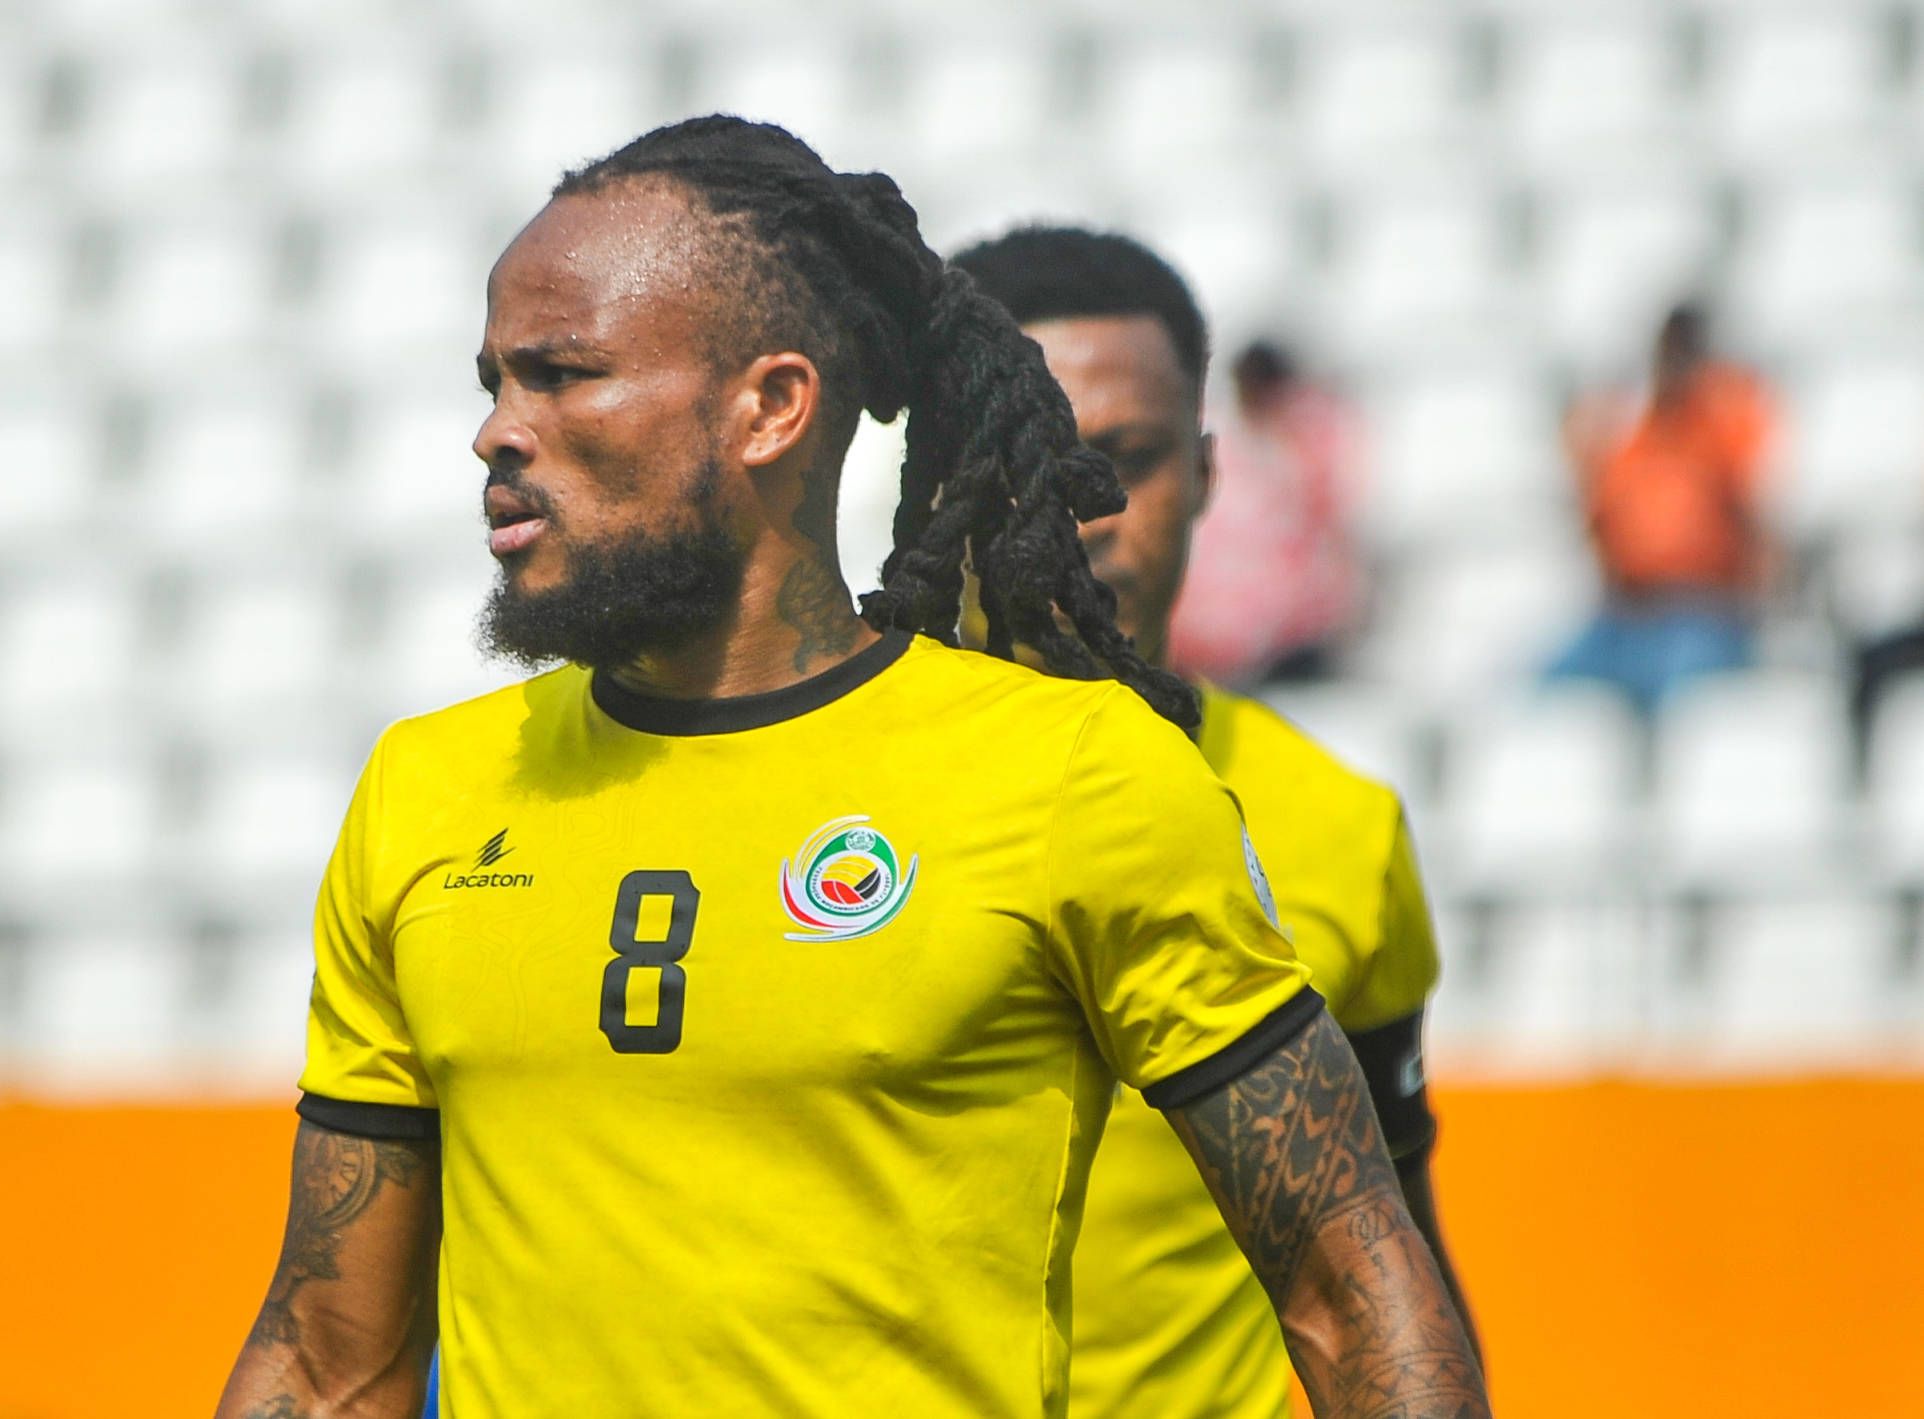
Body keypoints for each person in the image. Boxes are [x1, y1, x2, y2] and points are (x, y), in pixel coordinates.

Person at [214, 117, 1486, 1419]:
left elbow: (1354, 1291)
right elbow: (325, 1365)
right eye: (493, 381)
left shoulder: (1075, 775)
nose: (497, 431)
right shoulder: (424, 790)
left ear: (771, 405)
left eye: (562, 374)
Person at [953, 225, 1479, 1419]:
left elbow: (1387, 1267)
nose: (1081, 510)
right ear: (937, 474)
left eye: (1125, 460)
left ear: (1205, 475)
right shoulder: (814, 782)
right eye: (1024, 459)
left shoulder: (1339, 827)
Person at [1546, 302, 1778, 712]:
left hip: (1704, 614)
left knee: (1681, 699)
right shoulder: (1630, 437)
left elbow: (1755, 529)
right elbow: (1602, 531)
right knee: (1547, 692)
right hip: (1627, 620)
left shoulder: (1729, 428)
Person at [1165, 338, 1364, 687]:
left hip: (1295, 641)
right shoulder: (1213, 447)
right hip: (1209, 647)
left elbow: (1335, 542)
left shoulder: (1315, 446)